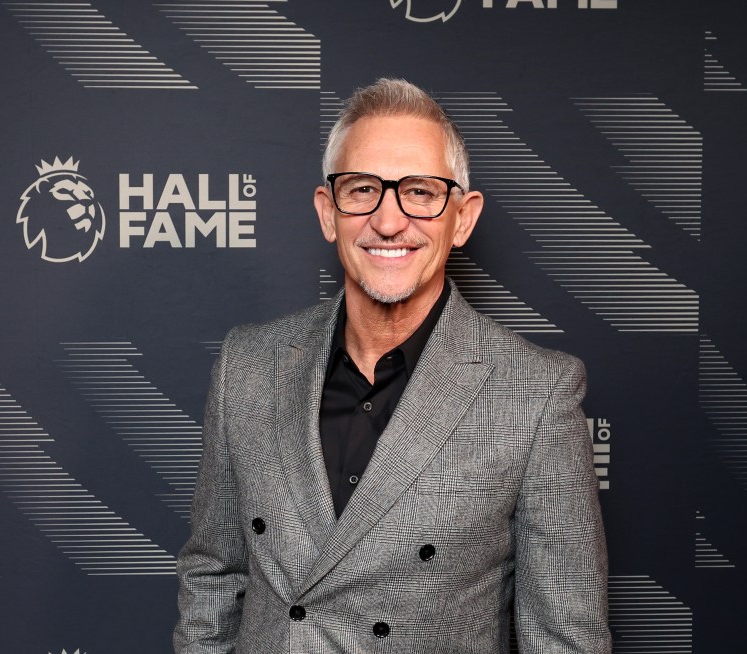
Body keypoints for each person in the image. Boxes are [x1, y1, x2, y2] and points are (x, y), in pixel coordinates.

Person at [174, 78, 611, 653]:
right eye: (362, 190)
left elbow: (565, 638)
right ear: (328, 213)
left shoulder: (537, 393)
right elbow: (213, 577)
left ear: (462, 217)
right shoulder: (249, 366)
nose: (388, 221)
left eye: (421, 193)